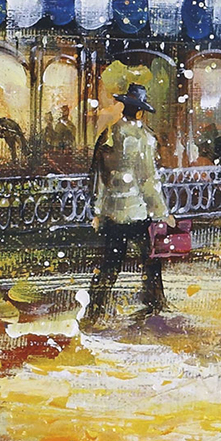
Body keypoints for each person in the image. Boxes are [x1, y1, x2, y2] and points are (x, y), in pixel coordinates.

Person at [82, 81, 171, 326]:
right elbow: (148, 180)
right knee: (150, 259)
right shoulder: (145, 138)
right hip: (137, 211)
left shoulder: (108, 135)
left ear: (124, 106)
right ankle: (154, 303)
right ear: (140, 111)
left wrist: (97, 211)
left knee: (111, 263)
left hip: (112, 211)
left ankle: (96, 309)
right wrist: (162, 212)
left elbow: (97, 177)